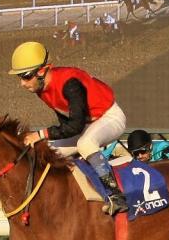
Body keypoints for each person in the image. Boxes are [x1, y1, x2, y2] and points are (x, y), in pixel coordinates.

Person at [8, 41, 128, 215]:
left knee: (85, 144)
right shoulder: (41, 87)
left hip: (109, 117)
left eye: (25, 76)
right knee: (47, 151)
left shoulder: (70, 83)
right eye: (20, 77)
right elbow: (67, 124)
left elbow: (75, 126)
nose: (22, 83)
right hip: (86, 125)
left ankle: (116, 196)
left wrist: (40, 134)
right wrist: (42, 139)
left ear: (42, 71)